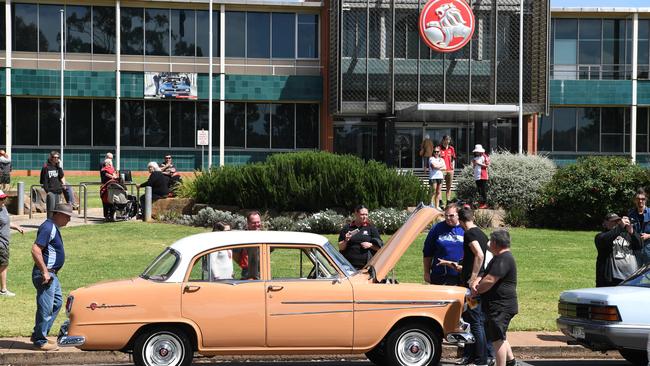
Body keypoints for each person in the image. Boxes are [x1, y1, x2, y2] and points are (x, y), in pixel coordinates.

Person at [438, 206, 493, 366]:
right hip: (477, 284)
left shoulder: (469, 234)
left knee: (475, 321)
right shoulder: (482, 233)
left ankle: (481, 359)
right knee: (471, 319)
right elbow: (480, 257)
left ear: (461, 220)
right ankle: (471, 356)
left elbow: (479, 255)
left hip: (472, 288)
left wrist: (473, 278)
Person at [472, 230, 518, 366]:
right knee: (499, 336)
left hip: (501, 306)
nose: (488, 244)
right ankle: (511, 362)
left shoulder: (504, 258)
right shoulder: (497, 258)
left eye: (491, 241)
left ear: (496, 244)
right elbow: (485, 274)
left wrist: (477, 290)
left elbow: (490, 280)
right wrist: (476, 281)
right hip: (496, 306)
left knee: (497, 340)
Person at [31, 203, 73, 351]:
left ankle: (39, 334)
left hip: (51, 274)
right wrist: (44, 272)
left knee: (56, 303)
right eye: (67, 216)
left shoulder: (52, 227)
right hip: (46, 274)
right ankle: (40, 340)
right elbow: (35, 249)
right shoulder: (48, 227)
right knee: (46, 308)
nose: (69, 220)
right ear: (58, 214)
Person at [595, 213, 642, 287]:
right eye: (612, 221)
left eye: (617, 221)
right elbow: (605, 240)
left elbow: (639, 245)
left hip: (631, 277)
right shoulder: (600, 236)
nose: (615, 223)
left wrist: (632, 232)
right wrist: (620, 227)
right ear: (605, 223)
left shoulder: (626, 235)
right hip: (613, 279)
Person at [423, 203, 464, 286]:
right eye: (446, 215)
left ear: (458, 215)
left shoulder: (464, 229)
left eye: (451, 216)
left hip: (460, 275)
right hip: (440, 275)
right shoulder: (437, 228)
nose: (448, 218)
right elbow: (427, 252)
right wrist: (426, 272)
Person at [338, 205, 383, 270]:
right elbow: (341, 247)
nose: (365, 217)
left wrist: (370, 245)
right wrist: (346, 240)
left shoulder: (371, 228)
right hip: (348, 266)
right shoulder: (347, 228)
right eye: (362, 214)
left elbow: (380, 248)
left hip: (366, 267)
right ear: (356, 214)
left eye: (366, 214)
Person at [0, 190, 24, 297]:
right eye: (1, 199)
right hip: (1, 244)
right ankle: (4, 290)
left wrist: (17, 227)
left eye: (3, 198)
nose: (3, 200)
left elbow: (7, 222)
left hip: (5, 242)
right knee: (3, 265)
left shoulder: (3, 208)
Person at [40, 151, 74, 217]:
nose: (56, 159)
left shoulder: (58, 168)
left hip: (58, 191)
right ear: (51, 158)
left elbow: (62, 176)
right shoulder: (46, 167)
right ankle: (49, 225)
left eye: (57, 157)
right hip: (51, 192)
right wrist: (47, 191)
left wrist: (63, 184)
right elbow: (43, 181)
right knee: (50, 211)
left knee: (57, 211)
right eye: (54, 157)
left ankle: (55, 224)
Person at [233, 212, 262, 279]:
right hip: (248, 274)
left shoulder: (263, 236)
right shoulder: (243, 238)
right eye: (254, 223)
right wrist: (245, 265)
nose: (256, 225)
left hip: (263, 272)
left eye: (258, 222)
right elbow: (235, 255)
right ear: (248, 223)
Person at [628, 188, 650, 265]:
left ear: (646, 200)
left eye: (642, 199)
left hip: (648, 248)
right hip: (636, 248)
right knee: (636, 273)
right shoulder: (630, 214)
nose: (640, 201)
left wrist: (649, 235)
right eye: (638, 199)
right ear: (635, 200)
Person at [439, 135, 456, 207]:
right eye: (446, 140)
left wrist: (453, 169)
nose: (447, 141)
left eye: (448, 140)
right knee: (440, 186)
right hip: (442, 170)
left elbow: (453, 159)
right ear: (443, 140)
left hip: (450, 170)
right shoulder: (439, 148)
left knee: (448, 187)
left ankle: (448, 202)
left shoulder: (451, 148)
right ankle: (440, 202)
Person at [472, 144, 489, 209]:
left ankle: (485, 203)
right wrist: (474, 164)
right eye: (476, 151)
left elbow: (487, 165)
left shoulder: (484, 156)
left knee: (483, 190)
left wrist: (478, 163)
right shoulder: (475, 158)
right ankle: (481, 203)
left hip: (483, 175)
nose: (476, 152)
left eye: (477, 151)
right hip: (477, 176)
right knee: (479, 190)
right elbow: (474, 167)